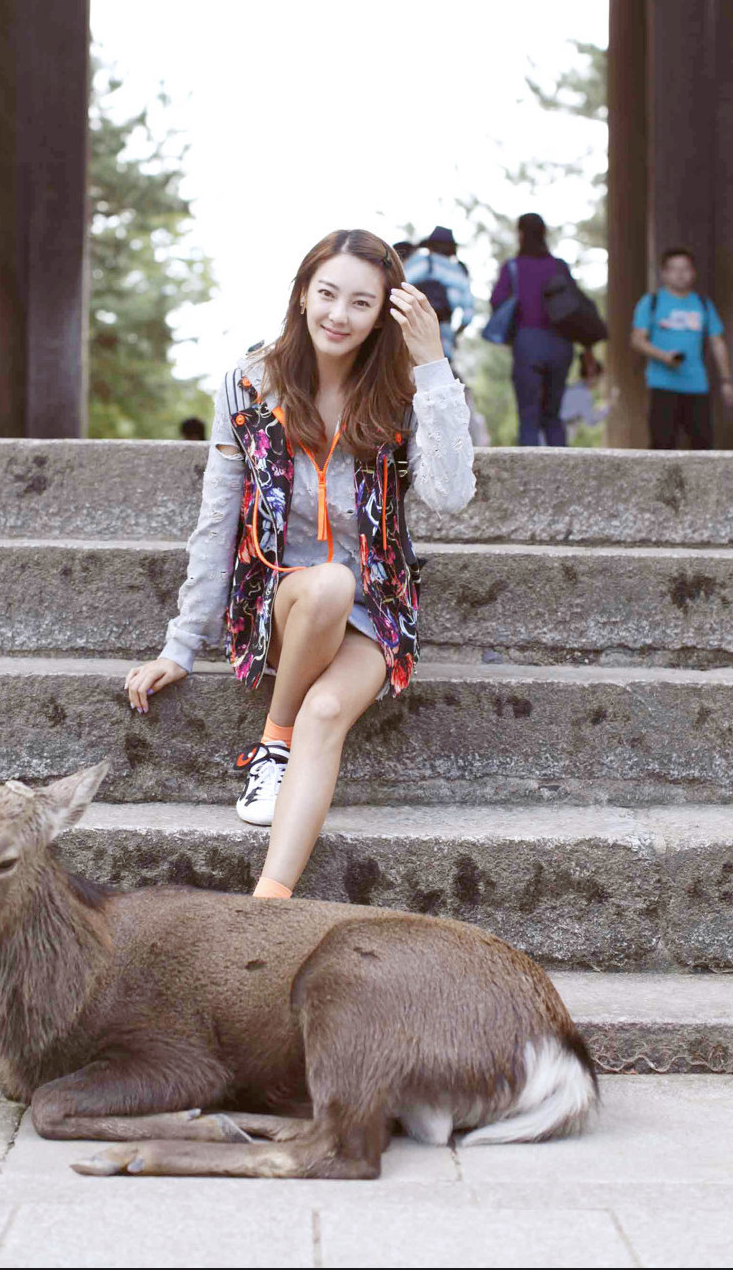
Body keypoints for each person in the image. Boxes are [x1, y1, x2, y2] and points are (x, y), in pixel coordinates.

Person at [124, 228, 476, 900]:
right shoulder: (251, 385)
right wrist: (181, 643)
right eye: (328, 295)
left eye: (361, 303)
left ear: (384, 315)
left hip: (377, 611)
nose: (339, 316)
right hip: (282, 599)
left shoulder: (402, 392)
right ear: (303, 294)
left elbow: (451, 493)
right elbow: (217, 516)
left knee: (329, 713)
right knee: (326, 586)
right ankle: (273, 740)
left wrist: (432, 366)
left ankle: (269, 903)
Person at [630, 247, 733, 449]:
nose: (680, 274)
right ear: (664, 273)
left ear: (693, 272)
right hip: (662, 384)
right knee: (662, 446)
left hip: (697, 384)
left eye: (685, 268)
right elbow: (637, 340)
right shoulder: (651, 302)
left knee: (703, 446)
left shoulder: (703, 304)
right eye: (674, 269)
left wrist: (726, 380)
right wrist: (663, 356)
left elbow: (717, 342)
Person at [491, 213, 575, 446]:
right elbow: (574, 304)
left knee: (528, 415)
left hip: (528, 342)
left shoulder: (513, 267)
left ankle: (526, 478)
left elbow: (497, 301)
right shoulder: (559, 266)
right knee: (553, 415)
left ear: (520, 234)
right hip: (561, 344)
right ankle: (562, 473)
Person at [404, 226, 474, 366]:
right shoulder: (459, 272)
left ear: (430, 246)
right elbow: (468, 314)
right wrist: (455, 333)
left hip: (415, 323)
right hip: (444, 327)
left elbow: (401, 284)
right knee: (441, 367)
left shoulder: (423, 261)